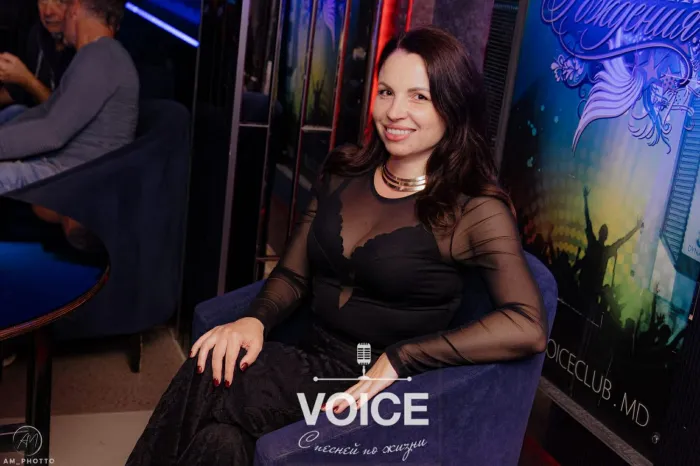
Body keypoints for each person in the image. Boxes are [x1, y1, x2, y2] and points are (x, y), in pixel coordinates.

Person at [127, 26, 547, 465]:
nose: (395, 111)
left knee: (208, 376)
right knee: (222, 442)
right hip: (308, 359)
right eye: (386, 92)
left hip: (373, 393)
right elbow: (293, 274)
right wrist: (254, 319)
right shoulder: (345, 172)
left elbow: (528, 325)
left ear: (453, 106)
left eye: (419, 97)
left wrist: (404, 357)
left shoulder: (473, 209)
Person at [0, 0, 139, 195]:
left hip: (73, 179)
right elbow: (44, 113)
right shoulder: (94, 55)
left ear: (75, 8)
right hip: (61, 168)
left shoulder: (102, 57)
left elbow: (52, 133)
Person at [0, 0, 76, 124]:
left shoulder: (84, 50)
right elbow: (18, 91)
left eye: (59, 2)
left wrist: (27, 80)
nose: (48, 12)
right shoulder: (38, 34)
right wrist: (15, 75)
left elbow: (67, 117)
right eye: (42, 2)